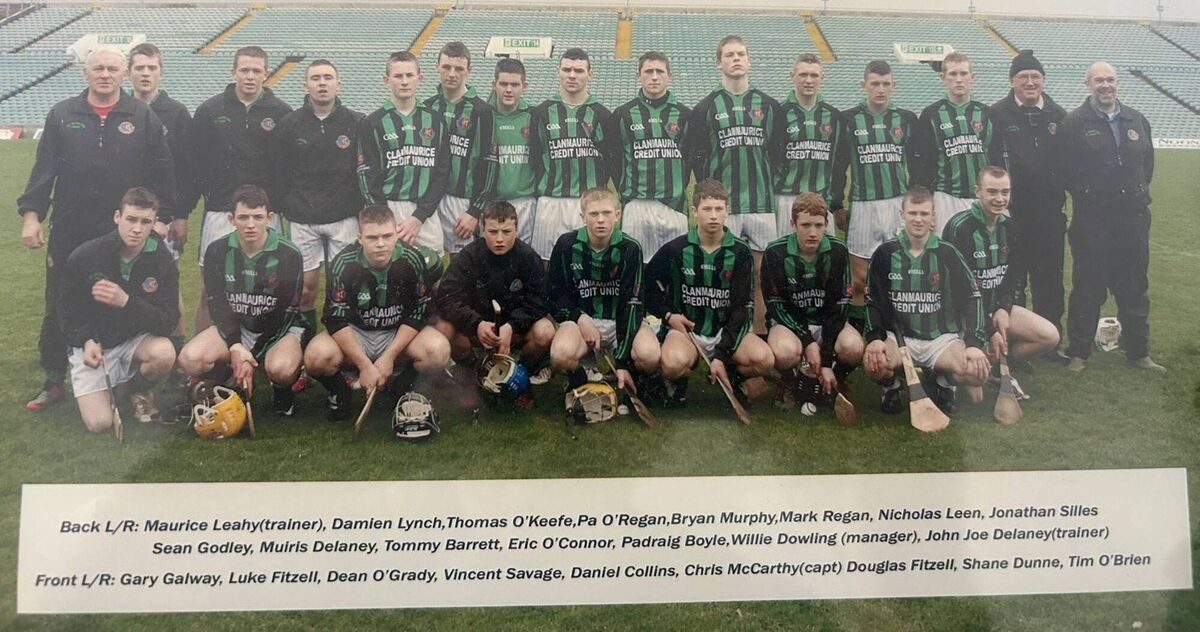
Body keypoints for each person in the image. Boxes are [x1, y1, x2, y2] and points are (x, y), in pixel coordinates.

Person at [19, 47, 175, 411]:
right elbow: (44, 170)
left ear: (124, 75)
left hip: (122, 230)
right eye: (98, 68)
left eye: (112, 69)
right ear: (85, 73)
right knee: (59, 300)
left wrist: (163, 217)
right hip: (70, 227)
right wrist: (31, 215)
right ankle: (53, 379)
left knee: (126, 296)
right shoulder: (62, 114)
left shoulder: (142, 116)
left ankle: (132, 380)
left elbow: (162, 170)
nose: (105, 74)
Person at [1057, 61, 1164, 373]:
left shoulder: (1136, 119)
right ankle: (1079, 352)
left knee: (1134, 286)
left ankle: (1138, 352)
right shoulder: (1074, 122)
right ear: (1088, 84)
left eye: (1111, 80)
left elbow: (1147, 166)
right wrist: (1093, 195)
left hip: (1132, 219)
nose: (1106, 85)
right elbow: (1065, 170)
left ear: (1118, 84)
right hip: (1093, 221)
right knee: (1088, 287)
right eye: (1099, 80)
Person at [303, 205, 450, 419]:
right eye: (372, 237)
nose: (381, 244)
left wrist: (388, 357)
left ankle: (402, 387)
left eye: (387, 236)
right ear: (360, 238)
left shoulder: (412, 259)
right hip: (358, 332)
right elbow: (335, 318)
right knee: (315, 357)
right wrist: (364, 365)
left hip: (396, 332)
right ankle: (340, 392)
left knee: (438, 350)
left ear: (396, 235)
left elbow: (419, 312)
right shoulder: (343, 262)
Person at [177, 185, 306, 416]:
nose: (250, 224)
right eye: (243, 217)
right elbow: (217, 305)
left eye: (257, 217)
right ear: (231, 219)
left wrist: (250, 357)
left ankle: (282, 393)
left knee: (282, 369)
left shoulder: (289, 254)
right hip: (238, 326)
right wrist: (236, 346)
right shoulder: (216, 251)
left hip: (279, 329)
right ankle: (226, 381)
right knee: (190, 358)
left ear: (270, 218)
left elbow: (286, 313)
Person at [58, 187, 178, 431]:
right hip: (95, 345)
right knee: (99, 424)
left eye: (145, 222)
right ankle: (111, 387)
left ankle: (135, 390)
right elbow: (66, 310)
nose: (137, 229)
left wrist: (126, 301)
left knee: (164, 352)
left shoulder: (162, 259)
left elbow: (168, 322)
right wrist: (86, 340)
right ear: (117, 217)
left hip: (132, 341)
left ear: (155, 222)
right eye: (131, 219)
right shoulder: (87, 255)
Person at [862, 186, 989, 415]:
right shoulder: (885, 253)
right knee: (875, 364)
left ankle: (944, 383)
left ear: (933, 216)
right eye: (913, 213)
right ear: (902, 214)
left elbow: (973, 297)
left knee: (975, 372)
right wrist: (875, 339)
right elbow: (873, 301)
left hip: (940, 340)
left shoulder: (947, 253)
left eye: (924, 214)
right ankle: (892, 386)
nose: (918, 219)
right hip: (900, 339)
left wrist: (973, 344)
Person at [646, 180, 774, 405]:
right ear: (695, 212)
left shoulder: (740, 252)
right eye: (707, 209)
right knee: (673, 364)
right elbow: (646, 287)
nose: (713, 216)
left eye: (718, 209)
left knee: (764, 360)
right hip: (686, 333)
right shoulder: (676, 249)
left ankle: (732, 374)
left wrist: (721, 355)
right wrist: (669, 315)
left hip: (726, 331)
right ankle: (678, 382)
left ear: (727, 211)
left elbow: (742, 308)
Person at [190, 45, 291, 330]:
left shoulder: (282, 112)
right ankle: (204, 353)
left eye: (256, 71)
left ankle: (264, 347)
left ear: (266, 74)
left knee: (268, 288)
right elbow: (195, 162)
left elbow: (286, 166)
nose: (249, 76)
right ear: (233, 71)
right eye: (244, 70)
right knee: (210, 289)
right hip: (221, 210)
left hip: (265, 213)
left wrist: (277, 204)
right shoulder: (210, 110)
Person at [686, 35, 780, 333]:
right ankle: (723, 336)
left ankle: (760, 335)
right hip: (723, 208)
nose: (736, 59)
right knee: (723, 273)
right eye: (729, 55)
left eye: (741, 54)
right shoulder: (705, 107)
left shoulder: (769, 105)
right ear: (719, 62)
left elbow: (777, 153)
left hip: (761, 205)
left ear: (749, 60)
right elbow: (698, 157)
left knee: (762, 275)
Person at [942, 167, 1060, 400]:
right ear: (978, 191)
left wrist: (1004, 309)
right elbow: (958, 292)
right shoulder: (959, 227)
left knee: (1050, 336)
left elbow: (1013, 277)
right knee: (976, 394)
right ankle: (947, 374)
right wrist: (989, 329)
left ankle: (998, 366)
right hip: (964, 315)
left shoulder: (1010, 227)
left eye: (1005, 192)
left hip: (995, 308)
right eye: (992, 192)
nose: (999, 199)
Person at [271, 59, 364, 343]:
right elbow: (280, 172)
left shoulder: (357, 122)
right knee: (306, 288)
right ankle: (305, 345)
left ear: (338, 84)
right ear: (305, 85)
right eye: (315, 78)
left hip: (344, 218)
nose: (322, 83)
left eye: (327, 77)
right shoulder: (289, 124)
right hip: (303, 219)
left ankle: (342, 346)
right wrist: (288, 206)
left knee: (344, 288)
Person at [990, 50, 1069, 359]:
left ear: (1044, 81)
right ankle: (1012, 343)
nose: (1030, 82)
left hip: (1050, 214)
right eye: (1023, 76)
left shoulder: (1059, 115)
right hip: (1013, 214)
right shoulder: (997, 114)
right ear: (1012, 81)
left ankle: (1051, 341)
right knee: (1014, 279)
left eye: (1036, 76)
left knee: (1050, 278)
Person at [831, 60, 919, 333]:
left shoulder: (906, 119)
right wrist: (837, 205)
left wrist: (915, 203)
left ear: (893, 85)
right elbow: (839, 166)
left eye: (885, 84)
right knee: (859, 277)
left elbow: (916, 165)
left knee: (900, 270)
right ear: (864, 85)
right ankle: (861, 329)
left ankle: (896, 328)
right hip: (863, 205)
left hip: (896, 204)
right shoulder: (848, 119)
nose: (880, 89)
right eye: (875, 84)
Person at [436, 200, 556, 395]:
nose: (500, 239)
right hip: (478, 329)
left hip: (514, 330)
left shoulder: (528, 257)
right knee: (443, 328)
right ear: (482, 229)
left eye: (506, 232)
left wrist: (512, 326)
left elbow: (540, 300)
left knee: (545, 331)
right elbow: (447, 296)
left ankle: (521, 370)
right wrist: (477, 324)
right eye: (493, 232)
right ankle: (471, 369)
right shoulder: (469, 256)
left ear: (516, 230)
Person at [547, 188, 659, 390]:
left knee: (650, 356)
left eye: (606, 213)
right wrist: (580, 319)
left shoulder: (630, 248)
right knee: (560, 356)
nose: (600, 220)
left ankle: (631, 374)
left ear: (617, 215)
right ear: (583, 216)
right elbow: (554, 294)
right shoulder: (566, 244)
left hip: (621, 322)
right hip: (583, 322)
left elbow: (632, 304)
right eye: (594, 214)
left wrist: (621, 361)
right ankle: (583, 376)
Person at [760, 193, 863, 409]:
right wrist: (807, 341)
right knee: (784, 352)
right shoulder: (775, 252)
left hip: (827, 322)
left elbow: (841, 305)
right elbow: (776, 306)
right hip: (789, 325)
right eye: (805, 225)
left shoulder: (838, 251)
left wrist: (825, 359)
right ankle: (790, 381)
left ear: (826, 224)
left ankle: (834, 379)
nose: (813, 233)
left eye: (818, 225)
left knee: (854, 348)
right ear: (793, 223)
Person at [127, 42, 193, 357]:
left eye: (151, 68)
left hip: (163, 216)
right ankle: (127, 348)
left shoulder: (177, 113)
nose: (145, 73)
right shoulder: (120, 109)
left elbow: (187, 171)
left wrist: (179, 215)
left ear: (161, 73)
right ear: (129, 73)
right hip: (125, 215)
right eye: (139, 67)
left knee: (168, 284)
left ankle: (176, 355)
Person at [357, 51, 450, 252]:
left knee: (432, 267)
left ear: (420, 78)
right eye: (398, 76)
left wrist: (420, 216)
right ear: (386, 80)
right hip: (389, 208)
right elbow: (367, 176)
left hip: (424, 211)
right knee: (390, 265)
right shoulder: (372, 122)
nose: (405, 81)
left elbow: (442, 173)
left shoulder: (436, 120)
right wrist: (383, 215)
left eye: (409, 75)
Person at [602, 51, 690, 263]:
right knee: (635, 266)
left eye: (660, 71)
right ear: (638, 76)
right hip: (637, 204)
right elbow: (614, 159)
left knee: (674, 267)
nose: (654, 77)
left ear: (669, 76)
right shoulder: (622, 114)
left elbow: (690, 157)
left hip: (674, 205)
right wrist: (628, 189)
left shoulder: (685, 114)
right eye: (648, 71)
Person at [529, 48, 611, 260]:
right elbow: (535, 157)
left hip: (588, 203)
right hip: (551, 202)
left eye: (579, 70)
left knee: (589, 263)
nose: (572, 75)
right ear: (558, 71)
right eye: (567, 69)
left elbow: (610, 161)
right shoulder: (541, 112)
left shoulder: (602, 114)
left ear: (590, 74)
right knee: (546, 262)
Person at [912, 52, 1001, 234]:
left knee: (981, 246)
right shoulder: (931, 114)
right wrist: (926, 203)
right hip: (946, 197)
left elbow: (997, 160)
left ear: (972, 77)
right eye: (953, 74)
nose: (958, 79)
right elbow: (922, 165)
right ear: (942, 77)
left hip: (982, 197)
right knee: (946, 247)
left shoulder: (988, 114)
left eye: (963, 73)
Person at [423, 41, 496, 254]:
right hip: (427, 199)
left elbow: (490, 165)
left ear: (469, 70)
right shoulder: (427, 107)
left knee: (463, 263)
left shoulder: (482, 111)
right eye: (446, 67)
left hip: (461, 200)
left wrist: (474, 211)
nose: (452, 74)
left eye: (459, 69)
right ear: (437, 67)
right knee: (428, 261)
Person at [773, 53, 841, 238]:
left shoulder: (834, 116)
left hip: (820, 198)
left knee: (824, 253)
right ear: (792, 76)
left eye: (814, 75)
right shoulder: (779, 113)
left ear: (822, 77)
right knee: (785, 251)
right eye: (803, 75)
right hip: (786, 198)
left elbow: (838, 163)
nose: (809, 80)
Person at [488, 58, 538, 245]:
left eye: (515, 84)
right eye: (503, 84)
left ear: (524, 86)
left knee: (523, 255)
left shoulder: (534, 117)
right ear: (494, 85)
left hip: (525, 202)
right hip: (492, 203)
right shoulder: (484, 117)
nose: (509, 89)